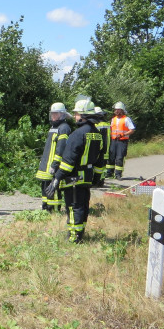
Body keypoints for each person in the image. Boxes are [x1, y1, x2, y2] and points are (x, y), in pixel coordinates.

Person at [45, 99, 104, 243]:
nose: (75, 116)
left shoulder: (77, 134)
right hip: (87, 177)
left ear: (83, 115)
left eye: (77, 113)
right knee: (83, 206)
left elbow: (68, 160)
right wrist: (97, 177)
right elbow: (101, 160)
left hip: (74, 179)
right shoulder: (97, 134)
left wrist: (57, 177)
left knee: (73, 207)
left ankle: (74, 237)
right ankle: (80, 233)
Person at [35, 102, 71, 211]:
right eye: (52, 113)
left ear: (62, 115)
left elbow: (61, 148)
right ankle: (45, 207)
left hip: (53, 166)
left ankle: (54, 210)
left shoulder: (64, 128)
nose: (53, 116)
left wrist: (55, 165)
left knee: (54, 189)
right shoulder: (53, 127)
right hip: (46, 165)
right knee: (45, 187)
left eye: (55, 114)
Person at [105, 101, 135, 179]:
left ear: (122, 110)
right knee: (111, 157)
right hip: (113, 141)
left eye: (118, 109)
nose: (116, 111)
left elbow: (132, 130)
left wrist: (123, 134)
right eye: (115, 109)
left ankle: (118, 174)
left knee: (119, 157)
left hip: (122, 141)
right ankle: (109, 173)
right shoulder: (113, 119)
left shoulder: (126, 119)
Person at [92, 106, 111, 187]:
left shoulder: (96, 125)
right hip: (107, 149)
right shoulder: (107, 124)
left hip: (99, 149)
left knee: (97, 167)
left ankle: (96, 182)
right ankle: (101, 181)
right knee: (103, 167)